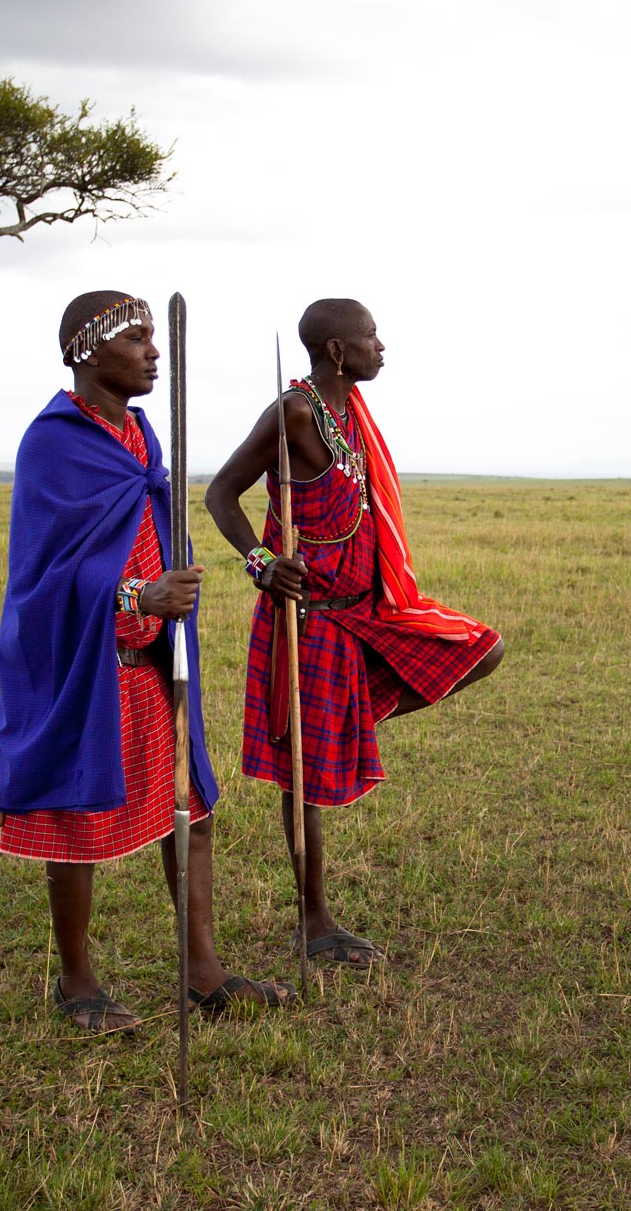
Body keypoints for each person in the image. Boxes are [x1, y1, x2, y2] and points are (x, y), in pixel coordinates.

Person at [0, 289, 293, 1033]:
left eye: (156, 338)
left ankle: (202, 970)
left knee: (189, 812)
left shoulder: (143, 437)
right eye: (136, 338)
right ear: (88, 351)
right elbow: (45, 577)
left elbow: (149, 523)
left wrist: (174, 592)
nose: (153, 351)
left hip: (155, 662)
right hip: (89, 664)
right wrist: (137, 595)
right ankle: (77, 981)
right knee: (78, 815)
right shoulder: (54, 442)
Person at [205, 298, 504, 967]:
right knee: (303, 775)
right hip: (306, 614)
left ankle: (348, 722)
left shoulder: (351, 415)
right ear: (338, 350)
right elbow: (222, 492)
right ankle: (313, 921)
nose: (382, 347)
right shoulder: (296, 413)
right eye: (371, 337)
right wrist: (261, 562)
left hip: (368, 607)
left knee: (481, 647)